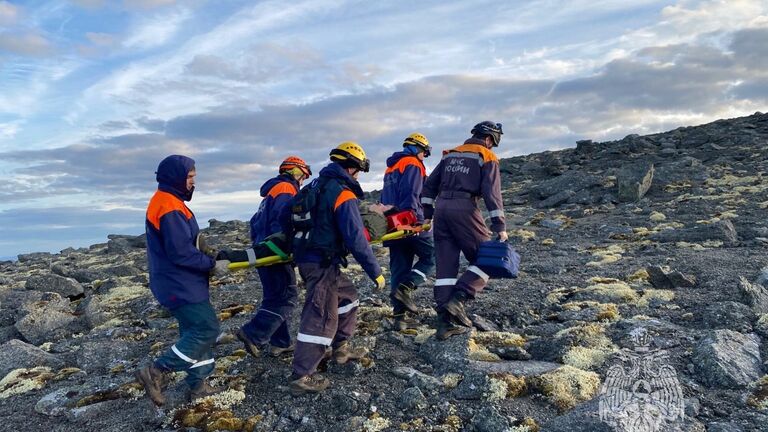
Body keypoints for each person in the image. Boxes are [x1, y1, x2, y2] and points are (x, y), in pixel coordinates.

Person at [283, 142, 386, 396]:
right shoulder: (342, 193)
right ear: (352, 167)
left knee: (348, 298)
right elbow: (355, 237)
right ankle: (301, 375)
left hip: (311, 258)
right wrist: (375, 271)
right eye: (359, 170)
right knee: (321, 315)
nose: (359, 175)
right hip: (322, 262)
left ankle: (340, 349)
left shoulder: (315, 186)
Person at [135, 155, 230, 406]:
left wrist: (206, 252)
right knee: (206, 328)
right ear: (175, 177)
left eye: (194, 177)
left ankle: (198, 385)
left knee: (192, 330)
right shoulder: (168, 206)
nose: (193, 182)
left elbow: (187, 244)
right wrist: (211, 265)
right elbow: (179, 252)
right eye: (189, 177)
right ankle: (157, 371)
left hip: (181, 282)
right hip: (179, 283)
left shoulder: (170, 202)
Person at [421, 121, 508, 340]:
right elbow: (492, 193)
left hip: (442, 210)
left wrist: (428, 215)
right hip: (465, 209)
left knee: (446, 265)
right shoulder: (486, 156)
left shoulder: (450, 154)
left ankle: (444, 323)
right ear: (490, 139)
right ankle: (459, 298)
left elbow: (429, 186)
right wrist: (500, 227)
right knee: (488, 258)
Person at [235, 156, 312, 358]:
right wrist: (288, 246)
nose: (303, 180)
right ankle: (253, 334)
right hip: (275, 252)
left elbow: (255, 224)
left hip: (264, 249)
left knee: (274, 297)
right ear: (296, 172)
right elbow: (284, 219)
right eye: (303, 175)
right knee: (286, 298)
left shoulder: (270, 193)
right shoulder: (286, 189)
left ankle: (280, 342)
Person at [380, 133, 435, 330]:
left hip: (391, 223)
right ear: (420, 149)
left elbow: (386, 197)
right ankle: (406, 287)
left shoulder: (390, 168)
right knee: (432, 256)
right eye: (425, 153)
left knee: (399, 267)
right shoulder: (413, 163)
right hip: (411, 221)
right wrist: (414, 219)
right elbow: (412, 193)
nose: (424, 157)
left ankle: (399, 318)